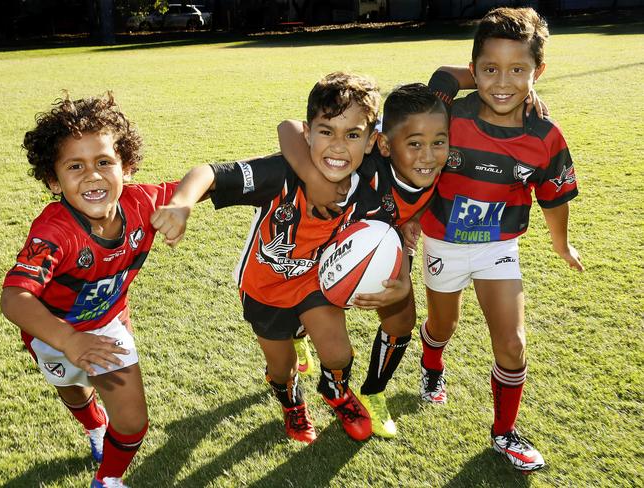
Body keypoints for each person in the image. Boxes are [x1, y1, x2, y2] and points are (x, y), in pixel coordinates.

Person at [150, 72, 411, 444]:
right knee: (282, 366)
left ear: (371, 142)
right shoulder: (281, 173)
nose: (338, 146)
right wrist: (181, 204)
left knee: (337, 352)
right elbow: (209, 173)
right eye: (326, 131)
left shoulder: (371, 185)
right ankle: (292, 404)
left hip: (317, 284)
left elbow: (390, 229)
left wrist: (401, 271)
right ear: (307, 133)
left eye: (352, 135)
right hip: (266, 288)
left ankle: (335, 391)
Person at [411, 7, 583, 472]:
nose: (502, 82)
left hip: (498, 248)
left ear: (537, 72)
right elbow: (440, 76)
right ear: (474, 71)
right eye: (490, 69)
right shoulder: (447, 114)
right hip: (443, 243)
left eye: (518, 70)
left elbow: (554, 196)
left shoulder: (545, 137)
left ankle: (504, 433)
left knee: (512, 344)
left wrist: (561, 244)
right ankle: (432, 365)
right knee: (441, 327)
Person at [0, 93, 178, 488]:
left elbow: (210, 178)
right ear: (53, 178)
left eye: (104, 162)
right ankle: (94, 426)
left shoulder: (142, 201)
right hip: (52, 332)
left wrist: (181, 203)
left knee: (132, 420)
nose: (92, 176)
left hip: (109, 326)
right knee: (74, 390)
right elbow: (14, 297)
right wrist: (68, 339)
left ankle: (108, 479)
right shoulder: (53, 232)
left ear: (126, 167)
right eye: (74, 166)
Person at [276, 83, 450, 438]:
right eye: (414, 145)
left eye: (438, 143)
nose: (427, 156)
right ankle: (300, 338)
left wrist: (404, 260)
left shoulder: (438, 165)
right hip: (320, 246)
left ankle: (373, 391)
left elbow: (401, 217)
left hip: (384, 245)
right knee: (309, 310)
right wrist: (312, 177)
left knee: (403, 318)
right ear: (384, 145)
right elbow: (288, 127)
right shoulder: (367, 163)